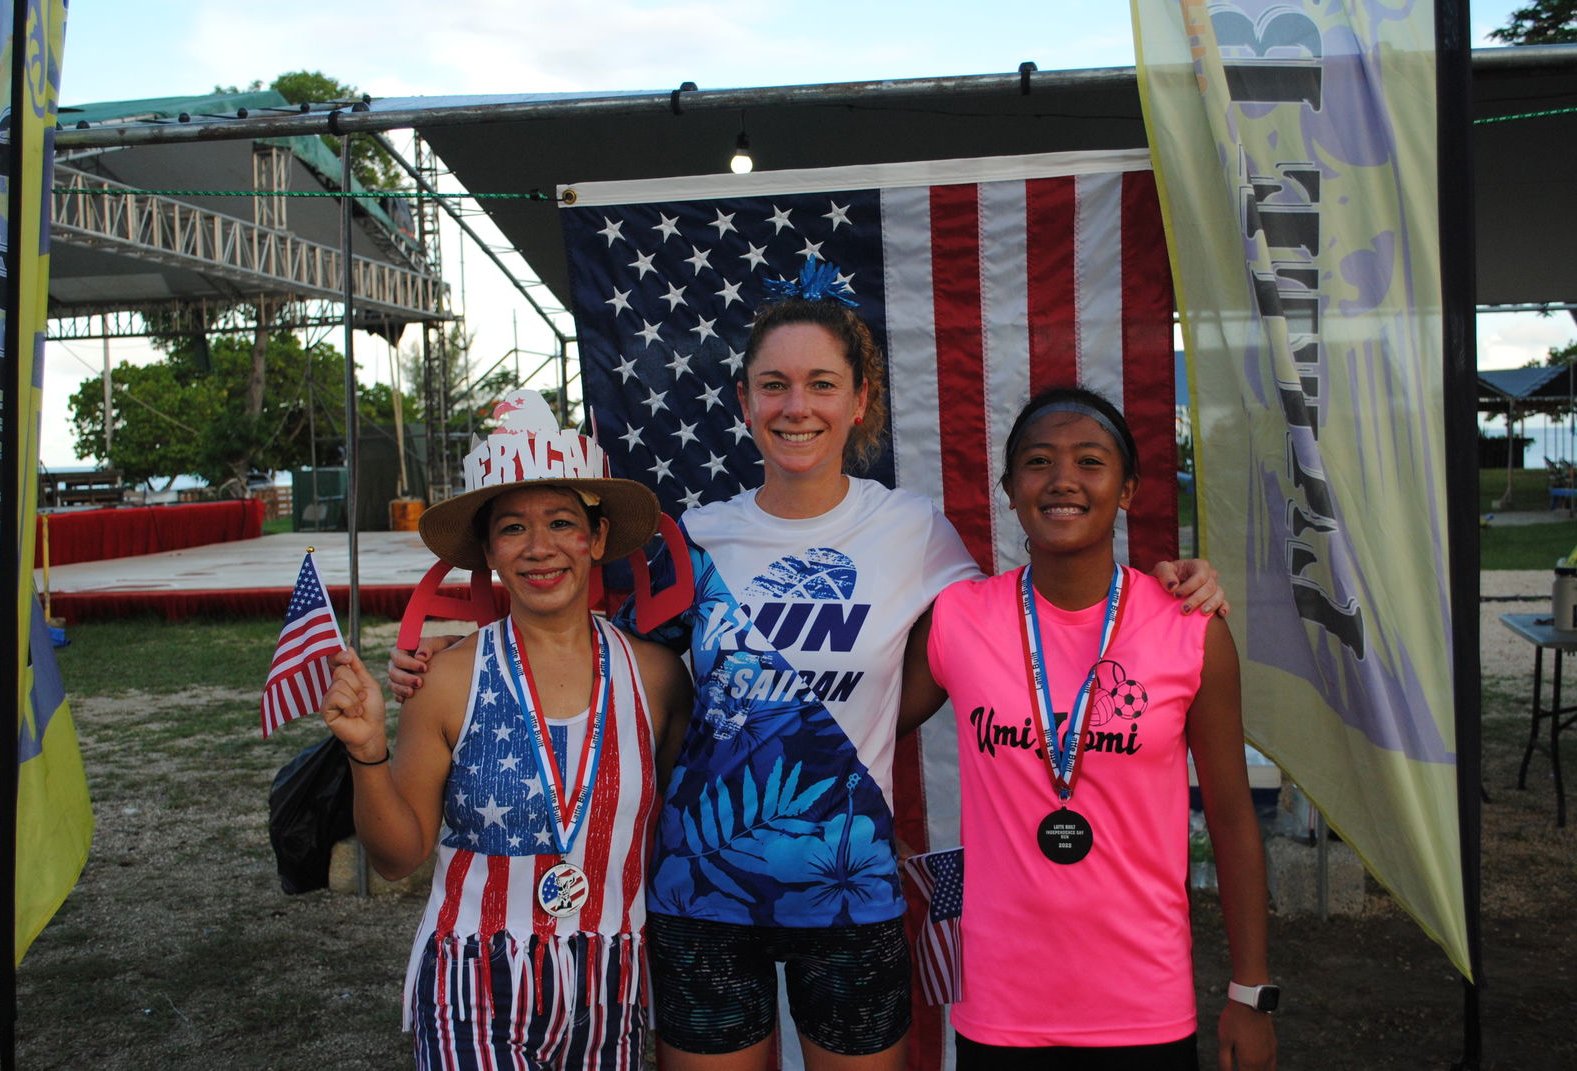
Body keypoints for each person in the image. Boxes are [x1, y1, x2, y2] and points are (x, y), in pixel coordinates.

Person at [390, 275, 1226, 1071]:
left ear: (860, 401)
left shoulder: (915, 531)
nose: (798, 406)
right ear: (745, 401)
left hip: (848, 886)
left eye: (822, 383)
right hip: (702, 890)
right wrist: (452, 659)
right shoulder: (694, 539)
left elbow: (1015, 632)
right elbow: (578, 643)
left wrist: (1172, 588)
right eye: (775, 384)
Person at [902, 386, 1275, 1071]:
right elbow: (856, 725)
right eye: (1038, 462)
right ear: (1011, 490)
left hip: (1143, 1004)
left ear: (1128, 488)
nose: (1063, 480)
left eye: (1091, 461)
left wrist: (1252, 992)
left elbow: (1230, 817)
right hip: (1000, 1007)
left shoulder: (1191, 630)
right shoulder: (960, 618)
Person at [320, 393, 690, 1071]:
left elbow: (685, 830)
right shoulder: (448, 680)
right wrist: (367, 753)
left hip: (612, 983)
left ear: (597, 539)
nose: (540, 547)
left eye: (561, 522)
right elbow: (398, 856)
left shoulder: (658, 677)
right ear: (488, 551)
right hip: (473, 981)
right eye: (513, 528)